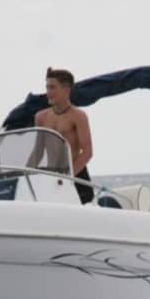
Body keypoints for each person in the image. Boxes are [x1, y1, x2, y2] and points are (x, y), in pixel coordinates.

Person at [34, 67, 94, 203]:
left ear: (66, 89)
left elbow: (87, 152)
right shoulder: (40, 117)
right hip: (51, 175)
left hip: (76, 175)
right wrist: (25, 172)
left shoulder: (78, 116)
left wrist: (69, 175)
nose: (48, 92)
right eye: (47, 87)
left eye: (52, 88)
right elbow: (38, 151)